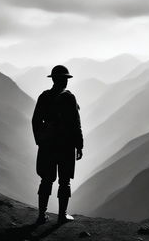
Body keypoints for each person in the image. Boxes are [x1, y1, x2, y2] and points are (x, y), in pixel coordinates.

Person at [32, 65, 83, 224]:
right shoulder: (69, 98)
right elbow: (76, 124)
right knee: (64, 180)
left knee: (46, 179)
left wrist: (40, 140)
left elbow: (35, 120)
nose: (66, 82)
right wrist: (79, 145)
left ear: (53, 79)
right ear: (63, 80)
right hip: (66, 145)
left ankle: (42, 215)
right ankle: (62, 215)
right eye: (65, 79)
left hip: (47, 145)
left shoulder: (44, 96)